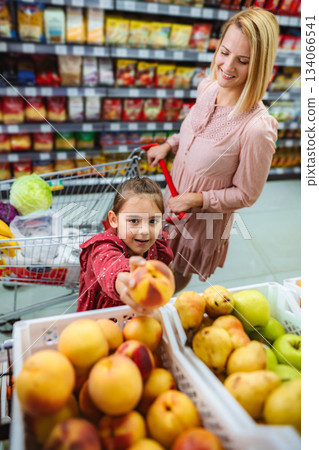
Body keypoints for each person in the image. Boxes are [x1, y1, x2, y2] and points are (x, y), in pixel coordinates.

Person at [147, 7, 279, 292]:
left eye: (243, 61)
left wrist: (195, 199)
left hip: (200, 221)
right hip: (172, 196)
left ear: (260, 66)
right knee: (150, 260)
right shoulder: (207, 87)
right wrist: (169, 145)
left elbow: (246, 195)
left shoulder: (257, 128)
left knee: (171, 276)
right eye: (225, 52)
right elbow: (194, 129)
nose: (228, 67)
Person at [77, 176, 173, 312]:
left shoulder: (158, 247)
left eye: (153, 221)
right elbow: (111, 268)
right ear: (114, 219)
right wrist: (126, 282)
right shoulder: (103, 247)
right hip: (102, 324)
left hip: (143, 321)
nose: (144, 231)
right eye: (134, 221)